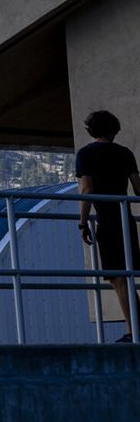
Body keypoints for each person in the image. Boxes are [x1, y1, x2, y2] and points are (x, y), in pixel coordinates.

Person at [75, 109, 140, 343]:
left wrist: (82, 223)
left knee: (117, 276)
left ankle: (134, 331)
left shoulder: (85, 154)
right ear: (113, 130)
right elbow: (138, 187)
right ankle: (136, 327)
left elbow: (87, 190)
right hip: (125, 217)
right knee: (126, 274)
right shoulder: (125, 153)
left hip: (107, 219)